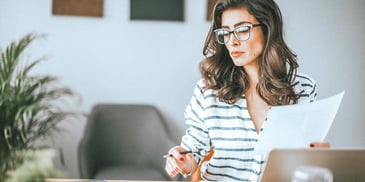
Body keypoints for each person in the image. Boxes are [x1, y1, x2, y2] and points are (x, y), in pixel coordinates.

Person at [164, 0, 317, 181]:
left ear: (268, 28)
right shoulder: (208, 90)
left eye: (243, 30)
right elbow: (193, 150)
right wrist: (181, 159)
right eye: (226, 32)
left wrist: (316, 154)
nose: (232, 42)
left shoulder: (303, 88)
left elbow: (306, 153)